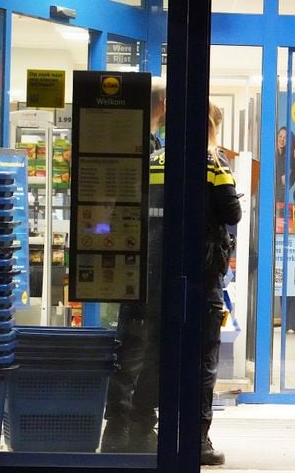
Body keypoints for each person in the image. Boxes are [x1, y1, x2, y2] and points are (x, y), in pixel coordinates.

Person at [101, 77, 166, 453]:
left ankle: (118, 426)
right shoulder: (155, 149)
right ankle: (139, 426)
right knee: (146, 347)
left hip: (128, 258)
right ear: (161, 107)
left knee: (128, 345)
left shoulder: (122, 142)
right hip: (149, 260)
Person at [199, 102, 243, 465]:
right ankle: (198, 441)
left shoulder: (158, 157)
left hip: (160, 270)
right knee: (203, 358)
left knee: (154, 355)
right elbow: (232, 213)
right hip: (203, 270)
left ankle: (142, 431)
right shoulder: (216, 163)